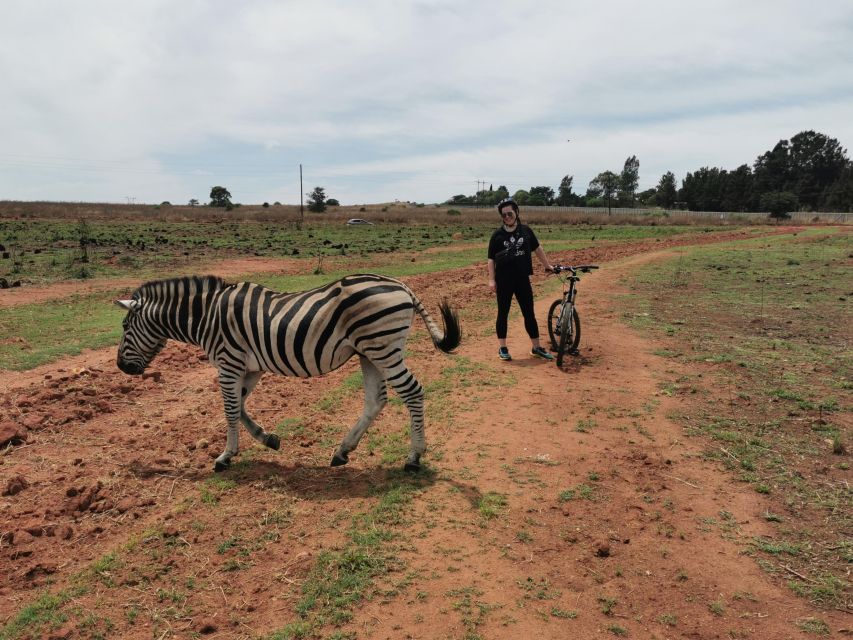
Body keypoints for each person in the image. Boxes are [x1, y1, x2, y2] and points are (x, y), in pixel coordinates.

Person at [487, 197, 555, 361]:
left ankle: (536, 347)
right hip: (504, 281)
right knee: (503, 314)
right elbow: (491, 260)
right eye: (504, 215)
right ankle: (503, 348)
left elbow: (538, 249)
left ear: (516, 212)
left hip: (522, 280)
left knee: (529, 313)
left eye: (510, 213)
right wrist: (492, 280)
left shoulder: (526, 231)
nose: (507, 217)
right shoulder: (497, 236)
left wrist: (548, 265)